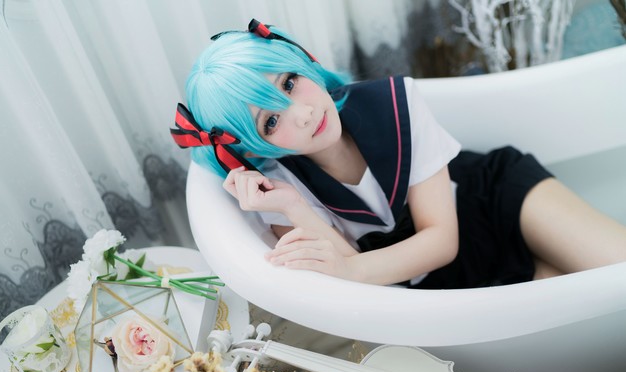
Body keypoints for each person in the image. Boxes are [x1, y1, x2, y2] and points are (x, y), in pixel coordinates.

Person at [172, 19, 626, 289]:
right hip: (429, 285)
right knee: (577, 309)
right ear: (253, 145)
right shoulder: (280, 189)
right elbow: (346, 283)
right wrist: (294, 207)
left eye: (289, 83)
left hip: (489, 201)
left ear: (301, 61)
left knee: (618, 269)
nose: (303, 114)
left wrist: (351, 270)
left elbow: (438, 241)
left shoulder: (394, 102)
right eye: (270, 122)